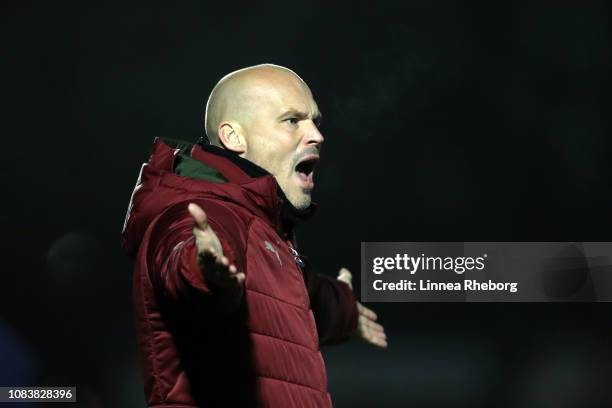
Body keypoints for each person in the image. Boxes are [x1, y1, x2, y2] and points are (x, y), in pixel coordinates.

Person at [122, 64, 387, 407]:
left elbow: (294, 294)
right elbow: (180, 257)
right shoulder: (202, 212)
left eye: (314, 121)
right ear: (234, 138)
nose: (317, 135)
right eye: (292, 120)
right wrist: (205, 272)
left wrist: (344, 309)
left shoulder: (262, 229)